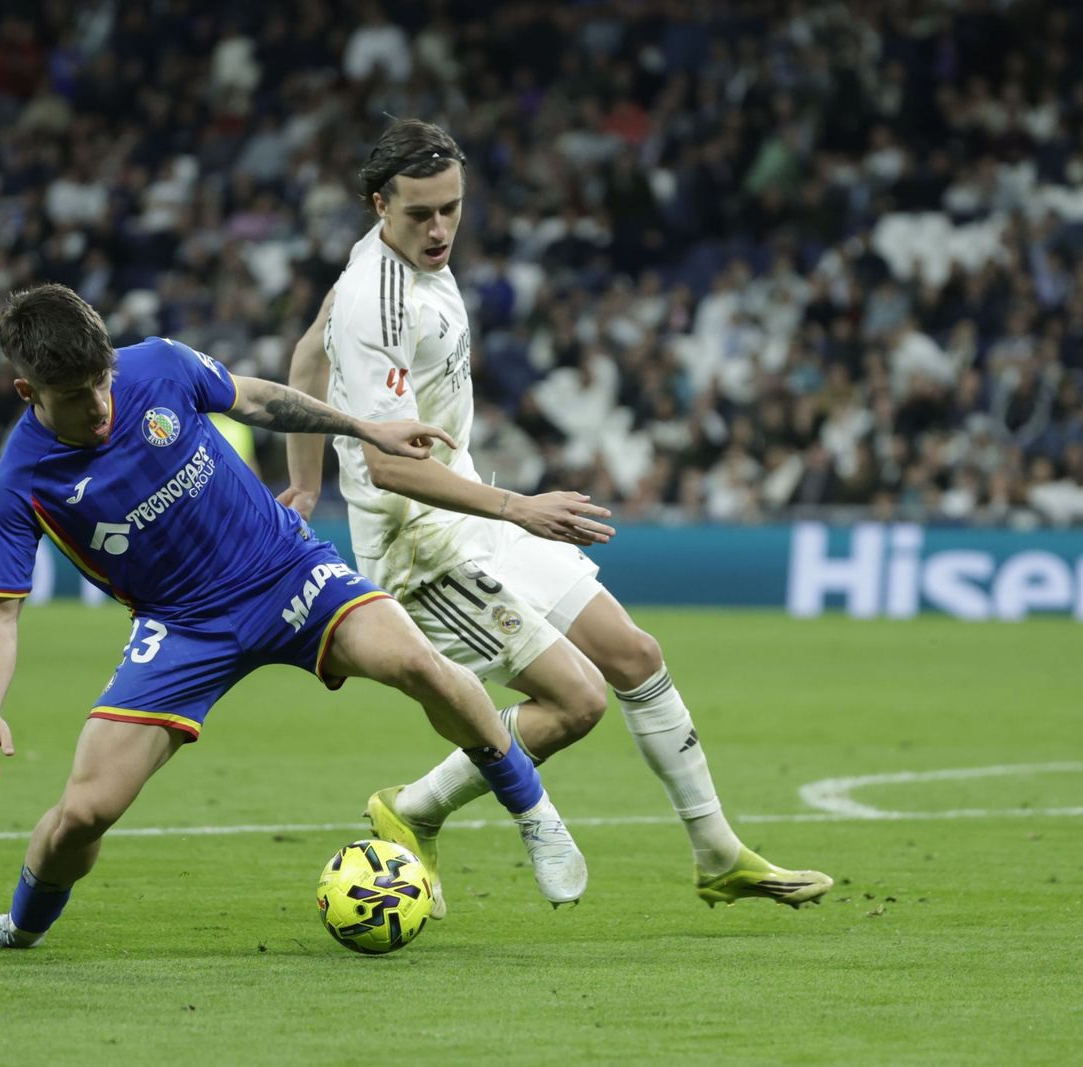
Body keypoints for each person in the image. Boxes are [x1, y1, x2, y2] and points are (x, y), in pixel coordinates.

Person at [0, 284, 585, 951]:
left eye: (101, 383)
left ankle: (534, 811)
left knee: (418, 663)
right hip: (183, 628)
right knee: (85, 812)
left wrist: (365, 428)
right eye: (74, 396)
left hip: (285, 569)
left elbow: (259, 398)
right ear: (26, 390)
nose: (98, 406)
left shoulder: (155, 365)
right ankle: (17, 926)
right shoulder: (23, 479)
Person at [282, 119, 832, 917]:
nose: (440, 230)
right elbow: (389, 462)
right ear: (379, 204)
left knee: (636, 655)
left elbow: (307, 355)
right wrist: (518, 505)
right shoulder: (377, 297)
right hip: (420, 552)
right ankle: (416, 808)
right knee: (577, 703)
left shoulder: (389, 266)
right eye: (420, 215)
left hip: (473, 515)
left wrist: (301, 487)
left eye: (452, 209)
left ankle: (718, 854)